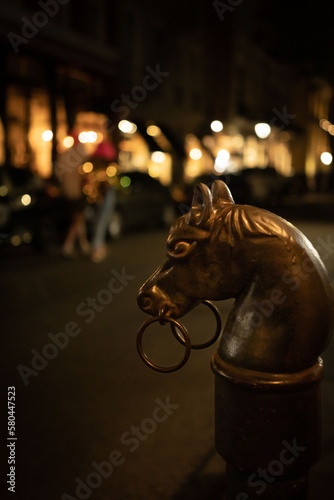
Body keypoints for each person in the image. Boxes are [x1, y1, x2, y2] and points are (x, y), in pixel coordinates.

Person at [58, 132, 91, 257]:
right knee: (77, 218)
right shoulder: (78, 155)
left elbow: (60, 173)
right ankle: (68, 245)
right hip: (76, 192)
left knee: (78, 218)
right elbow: (87, 161)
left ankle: (83, 244)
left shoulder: (64, 154)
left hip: (67, 192)